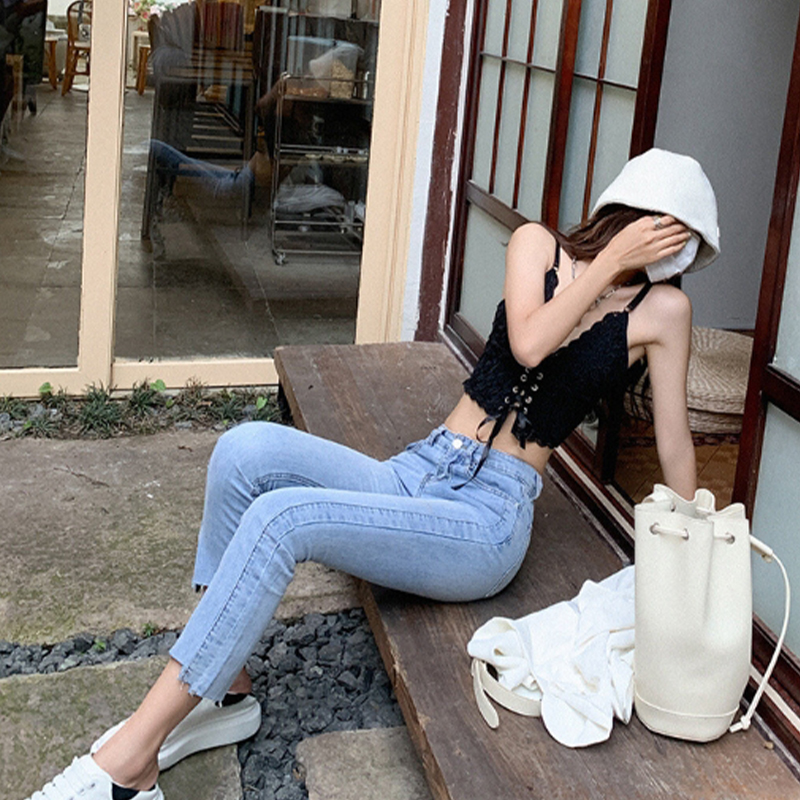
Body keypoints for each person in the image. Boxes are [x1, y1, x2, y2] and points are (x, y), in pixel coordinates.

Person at [24, 148, 720, 800]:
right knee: (243, 450)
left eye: (685, 242)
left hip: (486, 522)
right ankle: (225, 690)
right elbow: (529, 339)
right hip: (423, 466)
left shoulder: (664, 311)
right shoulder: (537, 245)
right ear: (627, 213)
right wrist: (608, 263)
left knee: (282, 519)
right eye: (665, 230)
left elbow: (673, 444)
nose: (672, 249)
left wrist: (693, 561)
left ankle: (130, 763)